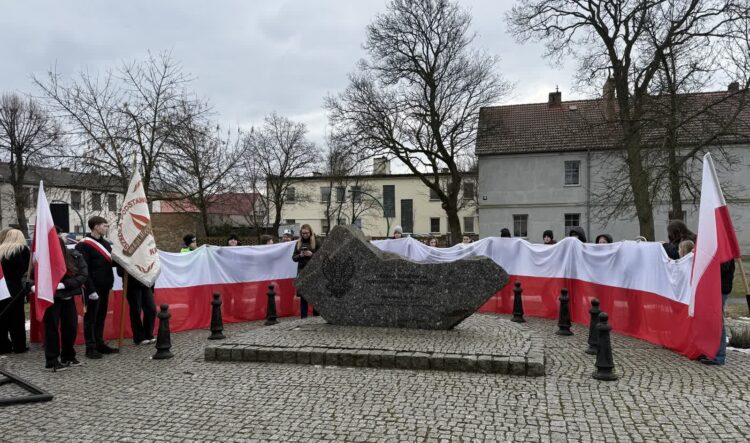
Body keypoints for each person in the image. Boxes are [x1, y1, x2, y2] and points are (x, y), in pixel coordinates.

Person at [76, 216, 118, 359]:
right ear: (95, 226)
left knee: (101, 317)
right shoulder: (84, 245)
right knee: (91, 318)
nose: (106, 228)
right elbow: (84, 269)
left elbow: (110, 262)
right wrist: (91, 289)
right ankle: (90, 347)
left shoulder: (105, 244)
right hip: (92, 288)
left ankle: (100, 343)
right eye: (104, 226)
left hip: (105, 286)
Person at [44, 237, 88, 371]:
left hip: (68, 295)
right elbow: (29, 277)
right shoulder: (42, 258)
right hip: (51, 298)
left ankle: (68, 355)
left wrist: (65, 285)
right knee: (51, 329)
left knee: (71, 327)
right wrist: (33, 286)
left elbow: (83, 275)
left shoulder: (74, 256)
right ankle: (52, 360)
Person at [0, 229, 31, 354]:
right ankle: (19, 346)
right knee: (17, 318)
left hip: (2, 286)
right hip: (15, 288)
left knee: (3, 317)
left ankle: (3, 346)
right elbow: (26, 269)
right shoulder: (21, 249)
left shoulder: (1, 250)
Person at [701, 259, 736, 365]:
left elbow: (722, 268)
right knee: (712, 321)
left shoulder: (726, 252)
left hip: (721, 289)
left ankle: (719, 355)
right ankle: (711, 351)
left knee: (718, 321)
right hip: (715, 287)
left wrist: (707, 261)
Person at [118, 266, 157, 346]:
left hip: (146, 284)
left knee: (151, 309)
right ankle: (139, 337)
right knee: (136, 310)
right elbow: (120, 271)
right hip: (132, 285)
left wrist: (152, 284)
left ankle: (148, 334)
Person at [292, 224, 319, 319]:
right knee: (303, 297)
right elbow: (293, 258)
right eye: (303, 233)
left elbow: (322, 257)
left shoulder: (316, 242)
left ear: (310, 232)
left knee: (315, 296)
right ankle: (303, 318)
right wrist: (300, 255)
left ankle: (317, 317)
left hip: (314, 272)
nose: (305, 235)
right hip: (302, 272)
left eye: (306, 233)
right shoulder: (298, 243)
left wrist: (312, 254)